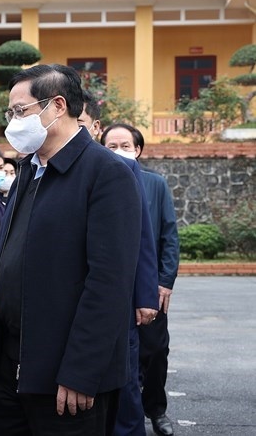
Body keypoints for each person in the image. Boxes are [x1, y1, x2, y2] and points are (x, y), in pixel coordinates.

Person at [0, 64, 143, 435]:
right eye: (10, 113)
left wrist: (81, 371)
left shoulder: (106, 173)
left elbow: (109, 283)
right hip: (9, 366)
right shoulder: (28, 169)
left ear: (58, 105)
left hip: (65, 377)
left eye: (21, 111)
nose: (13, 121)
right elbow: (4, 249)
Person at [82, 104, 159, 435]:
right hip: (75, 299)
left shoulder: (121, 171)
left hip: (118, 299)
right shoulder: (40, 167)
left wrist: (146, 296)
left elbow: (143, 240)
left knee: (124, 384)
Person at [100, 123, 180, 436]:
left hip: (149, 287)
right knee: (121, 361)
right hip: (116, 289)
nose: (118, 151)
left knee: (155, 351)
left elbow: (167, 237)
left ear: (138, 150)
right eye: (111, 146)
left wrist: (163, 282)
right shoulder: (99, 182)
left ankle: (156, 410)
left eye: (125, 145)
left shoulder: (154, 184)